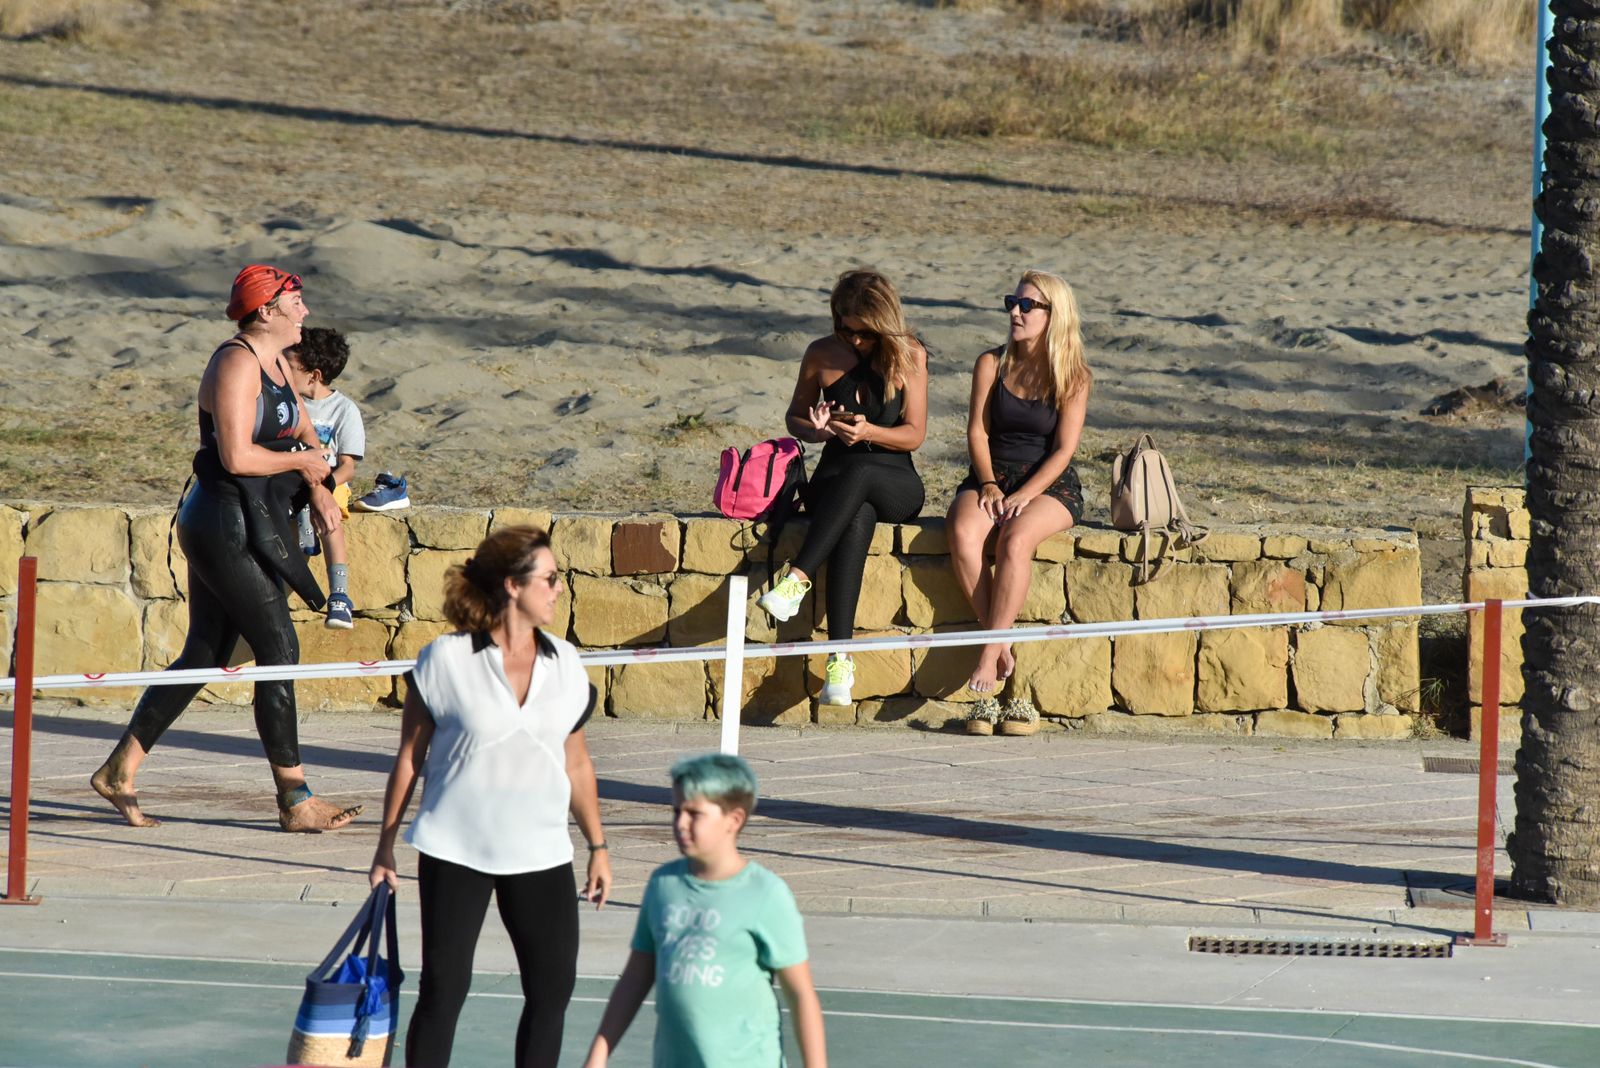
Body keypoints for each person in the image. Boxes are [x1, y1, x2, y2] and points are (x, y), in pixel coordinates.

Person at [90, 264, 360, 832]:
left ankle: (120, 770)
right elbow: (237, 456)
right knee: (279, 647)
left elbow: (312, 438)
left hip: (253, 518)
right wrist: (303, 464)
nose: (304, 312)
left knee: (206, 653)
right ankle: (296, 799)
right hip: (221, 523)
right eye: (296, 303)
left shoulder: (281, 366)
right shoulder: (236, 362)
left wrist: (318, 485)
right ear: (266, 311)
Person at [368, 524, 611, 1068]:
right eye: (549, 578)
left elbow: (577, 761)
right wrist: (385, 847)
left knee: (551, 995)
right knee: (443, 993)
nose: (558, 588)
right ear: (512, 586)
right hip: (456, 851)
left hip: (542, 854)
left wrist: (598, 845)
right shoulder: (445, 660)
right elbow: (410, 758)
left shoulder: (567, 664)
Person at [582, 753, 826, 1068]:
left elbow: (801, 995)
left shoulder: (765, 895)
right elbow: (635, 978)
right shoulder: (663, 885)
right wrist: (598, 1054)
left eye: (694, 813)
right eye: (676, 811)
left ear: (734, 820)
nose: (680, 822)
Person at [757, 269, 928, 706]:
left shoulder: (909, 354)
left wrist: (869, 431)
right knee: (856, 515)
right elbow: (794, 417)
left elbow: (914, 434)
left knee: (863, 478)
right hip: (835, 482)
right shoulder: (820, 354)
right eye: (842, 328)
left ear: (882, 323)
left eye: (862, 333)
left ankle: (796, 579)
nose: (851, 340)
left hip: (895, 481)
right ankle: (839, 662)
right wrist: (817, 431)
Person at [946, 270, 1090, 734]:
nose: (1015, 311)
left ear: (1053, 315)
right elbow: (977, 432)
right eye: (1013, 302)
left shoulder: (1073, 374)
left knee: (1015, 539)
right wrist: (988, 484)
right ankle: (1003, 642)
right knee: (964, 532)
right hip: (994, 474)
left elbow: (1065, 450)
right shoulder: (991, 362)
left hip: (1048, 483)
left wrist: (1026, 495)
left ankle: (988, 652)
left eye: (1027, 305)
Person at [284, 327, 364, 630]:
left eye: (290, 366)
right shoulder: (289, 404)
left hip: (329, 482)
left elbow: (348, 467)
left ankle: (340, 595)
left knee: (330, 518)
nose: (284, 369)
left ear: (314, 375)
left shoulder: (344, 410)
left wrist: (326, 487)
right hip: (293, 481)